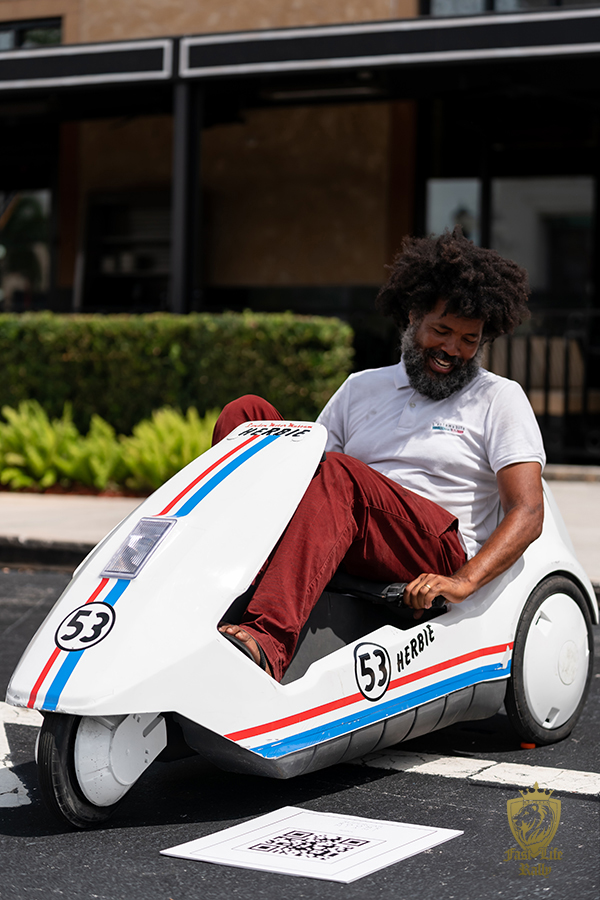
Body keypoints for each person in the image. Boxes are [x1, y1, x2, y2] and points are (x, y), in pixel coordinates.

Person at [217, 228, 546, 681]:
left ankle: (267, 638)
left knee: (340, 474)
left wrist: (464, 581)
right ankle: (225, 589)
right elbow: (309, 471)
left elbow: (528, 511)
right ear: (413, 317)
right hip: (355, 529)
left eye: (469, 340)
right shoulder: (361, 387)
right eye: (442, 331)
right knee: (247, 415)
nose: (453, 350)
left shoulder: (498, 398)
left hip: (435, 550)